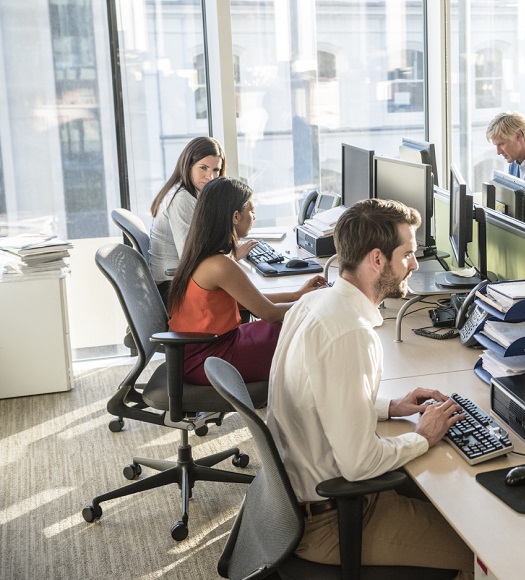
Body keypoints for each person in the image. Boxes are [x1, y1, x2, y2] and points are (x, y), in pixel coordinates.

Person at [267, 198, 474, 578]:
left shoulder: (313, 303)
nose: (414, 264)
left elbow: (315, 396)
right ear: (377, 260)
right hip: (331, 522)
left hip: (296, 505)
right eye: (408, 254)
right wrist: (423, 437)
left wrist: (388, 406)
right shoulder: (349, 333)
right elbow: (359, 463)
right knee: (479, 552)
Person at [166, 177, 326, 385]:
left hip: (203, 349)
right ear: (235, 217)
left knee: (292, 327)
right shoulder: (220, 265)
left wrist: (296, 295)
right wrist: (317, 305)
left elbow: (248, 300)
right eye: (251, 211)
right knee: (305, 330)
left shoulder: (203, 254)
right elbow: (268, 313)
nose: (254, 216)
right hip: (210, 359)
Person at [148, 136, 258, 294]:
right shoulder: (181, 199)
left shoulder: (194, 193)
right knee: (246, 293)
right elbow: (190, 258)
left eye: (216, 170)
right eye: (203, 168)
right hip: (171, 288)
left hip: (177, 281)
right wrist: (232, 256)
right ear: (188, 165)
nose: (210, 176)